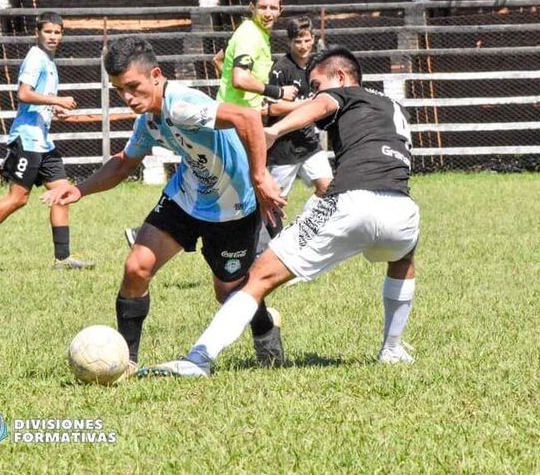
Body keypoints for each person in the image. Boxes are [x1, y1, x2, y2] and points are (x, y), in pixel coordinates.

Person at [147, 46, 421, 378]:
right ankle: (392, 348)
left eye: (318, 83)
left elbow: (322, 103)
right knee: (403, 261)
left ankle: (198, 359)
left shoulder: (344, 93)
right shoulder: (392, 106)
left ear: (341, 76)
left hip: (352, 201)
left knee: (257, 279)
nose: (316, 93)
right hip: (403, 212)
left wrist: (274, 130)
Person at [41, 36, 287, 380]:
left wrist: (260, 177)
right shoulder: (150, 120)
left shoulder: (181, 104)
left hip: (232, 208)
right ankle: (126, 363)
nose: (127, 98)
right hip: (186, 198)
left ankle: (265, 331)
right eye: (119, 90)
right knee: (136, 267)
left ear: (155, 75)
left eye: (133, 87)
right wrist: (79, 190)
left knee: (229, 292)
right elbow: (124, 164)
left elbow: (247, 117)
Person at [124, 0, 298, 249]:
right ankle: (272, 253)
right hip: (235, 124)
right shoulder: (251, 36)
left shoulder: (251, 33)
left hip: (237, 118)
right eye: (262, 7)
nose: (268, 12)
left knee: (235, 183)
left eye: (273, 7)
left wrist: (240, 93)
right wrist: (277, 91)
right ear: (251, 8)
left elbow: (220, 60)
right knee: (254, 185)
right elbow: (240, 78)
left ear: (281, 10)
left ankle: (269, 250)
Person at [0, 12, 94, 273]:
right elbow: (23, 93)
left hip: (43, 142)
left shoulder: (49, 61)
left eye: (58, 32)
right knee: (18, 198)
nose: (53, 36)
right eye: (48, 32)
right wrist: (57, 101)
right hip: (28, 140)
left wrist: (55, 112)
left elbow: (37, 99)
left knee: (62, 194)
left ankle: (62, 259)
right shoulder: (35, 57)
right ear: (38, 32)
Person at [260, 16, 333, 247]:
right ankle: (269, 248)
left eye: (307, 40)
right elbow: (271, 107)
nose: (303, 46)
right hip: (283, 146)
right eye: (298, 41)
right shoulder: (281, 69)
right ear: (290, 42)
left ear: (314, 39)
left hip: (309, 142)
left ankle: (301, 230)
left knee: (328, 189)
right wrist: (305, 105)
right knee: (274, 202)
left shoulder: (315, 67)